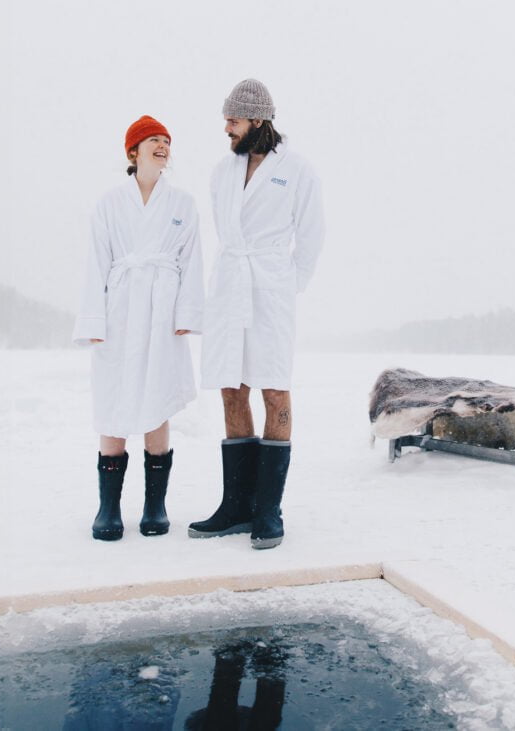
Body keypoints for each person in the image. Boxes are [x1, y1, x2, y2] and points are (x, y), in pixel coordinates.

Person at [189, 79, 325, 550]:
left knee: (273, 387)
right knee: (231, 387)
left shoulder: (298, 170)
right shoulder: (220, 172)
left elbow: (310, 237)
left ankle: (268, 510)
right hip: (230, 285)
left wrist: (288, 284)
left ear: (258, 120)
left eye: (234, 120)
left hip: (270, 287)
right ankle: (236, 507)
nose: (227, 128)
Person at [73, 115, 204, 541]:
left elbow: (192, 262)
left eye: (167, 140)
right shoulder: (110, 204)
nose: (163, 146)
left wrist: (187, 314)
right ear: (133, 152)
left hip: (162, 313)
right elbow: (95, 264)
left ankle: (155, 506)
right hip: (121, 312)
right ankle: (108, 508)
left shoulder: (182, 204)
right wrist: (94, 318)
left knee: (157, 399)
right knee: (113, 400)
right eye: (153, 141)